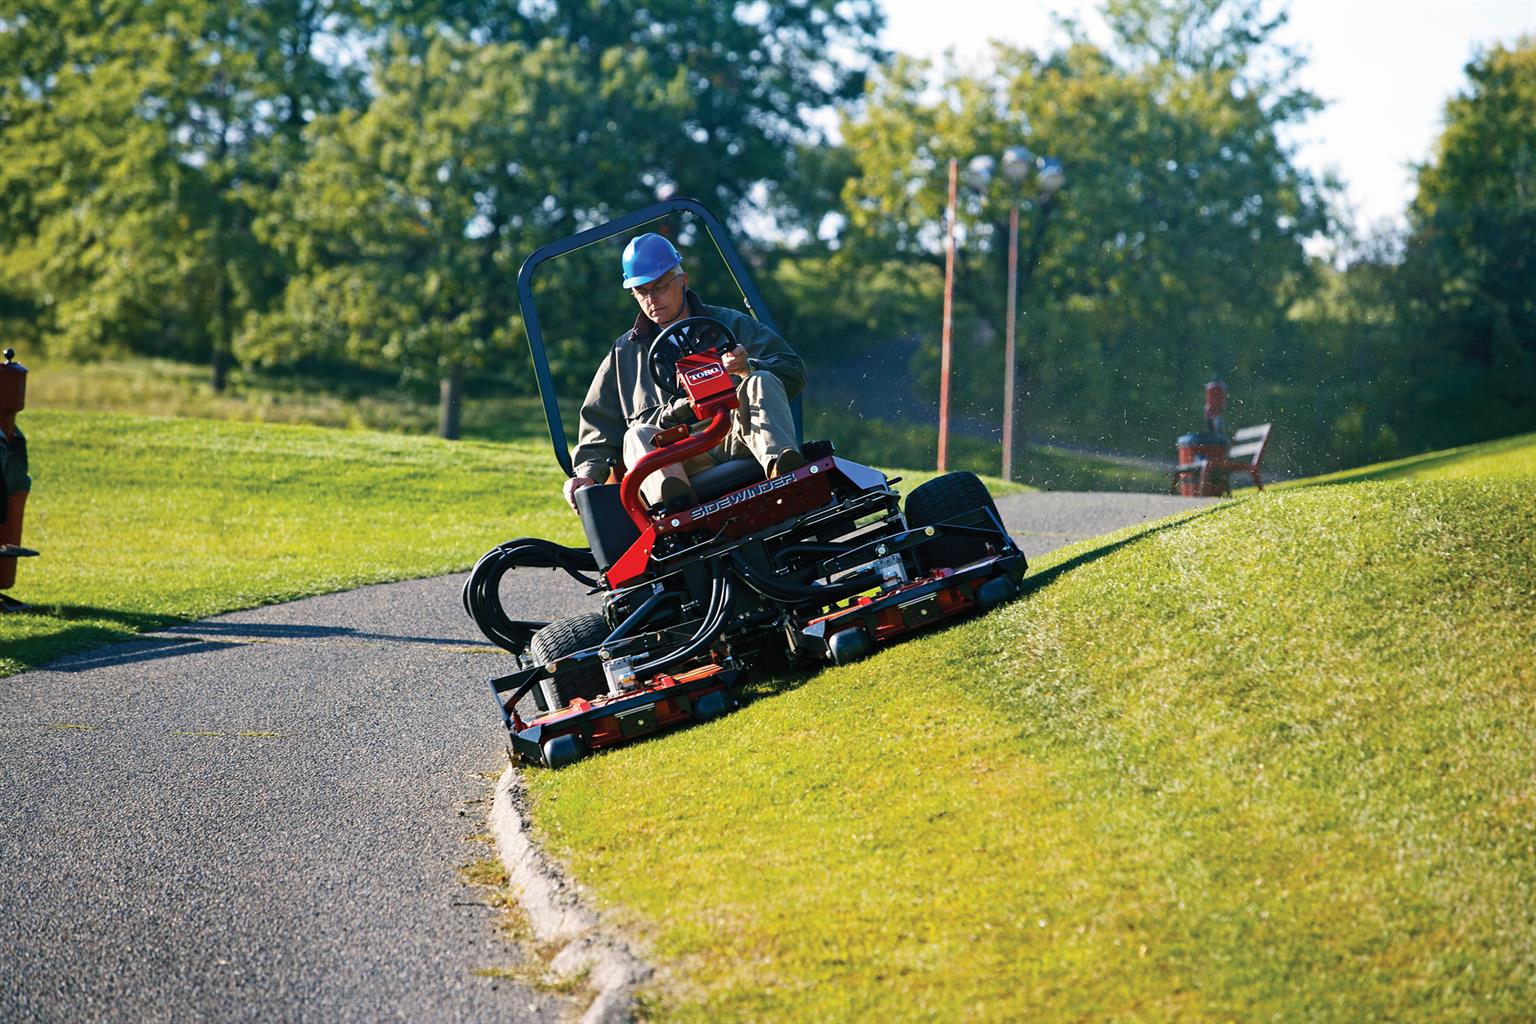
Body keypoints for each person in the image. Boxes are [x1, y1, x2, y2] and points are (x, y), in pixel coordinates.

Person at [563, 232, 805, 513]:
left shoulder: (730, 324)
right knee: (636, 435)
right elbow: (599, 423)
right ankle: (676, 509)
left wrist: (746, 367)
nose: (652, 299)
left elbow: (791, 368)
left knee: (759, 379)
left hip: (737, 435)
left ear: (683, 281)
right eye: (642, 292)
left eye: (660, 287)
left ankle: (785, 474)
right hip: (678, 452)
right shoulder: (624, 354)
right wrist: (587, 474)